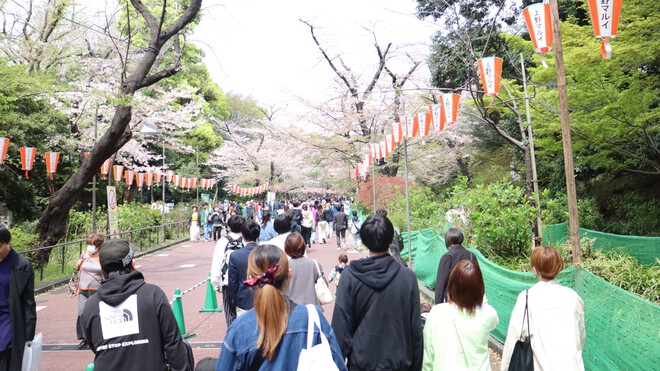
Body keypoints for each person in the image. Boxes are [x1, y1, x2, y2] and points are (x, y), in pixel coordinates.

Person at [216, 245, 346, 370]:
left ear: (250, 278)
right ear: (289, 273)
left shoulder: (240, 328)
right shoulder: (313, 318)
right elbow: (337, 364)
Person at [332, 214, 423, 371]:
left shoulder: (350, 276)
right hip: (399, 363)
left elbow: (341, 328)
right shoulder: (407, 277)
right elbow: (415, 330)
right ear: (390, 240)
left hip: (361, 363)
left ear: (364, 240)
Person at [80, 239, 188, 371]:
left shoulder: (91, 306)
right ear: (133, 264)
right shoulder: (152, 295)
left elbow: (94, 344)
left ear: (102, 270)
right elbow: (173, 344)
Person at [501, 246, 585, 371]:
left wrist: (505, 367)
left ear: (535, 270)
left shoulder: (526, 298)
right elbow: (580, 337)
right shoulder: (573, 297)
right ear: (559, 267)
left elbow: (513, 339)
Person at [422, 260, 498, 370]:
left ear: (451, 285)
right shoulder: (488, 314)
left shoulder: (436, 313)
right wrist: (478, 296)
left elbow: (428, 357)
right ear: (479, 287)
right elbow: (487, 309)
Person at [0, 225, 36, 371]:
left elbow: (29, 303)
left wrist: (28, 336)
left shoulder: (22, 265)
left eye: (0, 245)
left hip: (10, 320)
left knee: (6, 356)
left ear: (8, 242)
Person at [211, 215, 245, 326]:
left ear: (228, 227)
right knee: (245, 314)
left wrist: (216, 283)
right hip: (245, 283)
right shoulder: (246, 240)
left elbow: (217, 262)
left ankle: (232, 338)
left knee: (230, 314)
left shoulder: (222, 242)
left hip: (228, 283)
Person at [75, 233, 105, 349]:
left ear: (98, 246)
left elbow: (105, 274)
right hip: (83, 289)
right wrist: (78, 265)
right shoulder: (84, 255)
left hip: (97, 290)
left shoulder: (103, 257)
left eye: (92, 245)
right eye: (88, 244)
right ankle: (84, 338)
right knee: (81, 313)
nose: (89, 247)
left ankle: (98, 337)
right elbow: (79, 270)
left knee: (97, 314)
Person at [434, 228, 477, 304]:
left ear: (449, 241)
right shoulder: (471, 255)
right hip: (470, 298)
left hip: (453, 299)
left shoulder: (447, 256)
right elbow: (476, 278)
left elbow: (441, 283)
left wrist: (438, 304)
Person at [227, 220, 260, 316]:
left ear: (242, 235)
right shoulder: (266, 252)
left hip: (244, 301)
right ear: (258, 235)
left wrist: (236, 300)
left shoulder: (235, 255)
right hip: (265, 300)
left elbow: (233, 283)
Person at [284, 233, 326, 307]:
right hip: (313, 307)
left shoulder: (284, 266)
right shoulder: (314, 263)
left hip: (292, 308)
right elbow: (324, 283)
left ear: (287, 248)